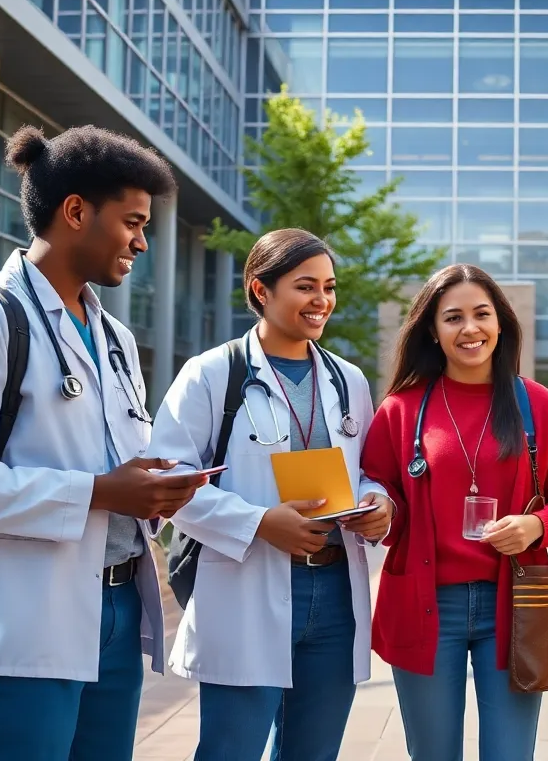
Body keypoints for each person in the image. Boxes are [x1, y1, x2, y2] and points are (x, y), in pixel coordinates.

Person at [0, 125, 208, 759]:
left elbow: (112, 466)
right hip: (20, 624)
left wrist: (153, 490)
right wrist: (104, 491)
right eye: (132, 222)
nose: (141, 241)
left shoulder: (115, 339)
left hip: (114, 613)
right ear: (75, 211)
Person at [148, 228, 393, 761]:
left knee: (314, 751)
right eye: (306, 286)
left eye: (329, 287)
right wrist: (259, 522)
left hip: (333, 594)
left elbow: (369, 471)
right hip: (247, 582)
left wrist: (379, 504)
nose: (322, 300)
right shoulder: (212, 374)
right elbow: (168, 484)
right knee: (230, 749)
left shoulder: (347, 379)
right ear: (261, 290)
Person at [360, 263, 548, 761]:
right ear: (432, 329)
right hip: (426, 607)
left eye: (482, 314)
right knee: (432, 753)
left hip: (513, 607)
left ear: (501, 323)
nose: (470, 329)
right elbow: (377, 490)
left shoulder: (538, 405)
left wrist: (537, 526)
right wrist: (378, 508)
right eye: (453, 317)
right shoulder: (401, 408)